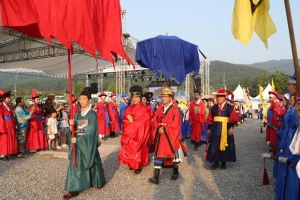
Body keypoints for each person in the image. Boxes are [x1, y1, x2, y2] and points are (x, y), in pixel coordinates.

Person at [62, 87, 106, 199]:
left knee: (93, 161)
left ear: (89, 100)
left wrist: (79, 139)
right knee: (75, 164)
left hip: (87, 142)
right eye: (80, 99)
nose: (81, 101)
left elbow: (91, 132)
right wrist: (71, 127)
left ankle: (97, 181)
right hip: (77, 143)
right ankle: (73, 189)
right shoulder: (76, 115)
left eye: (84, 99)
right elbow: (73, 131)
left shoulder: (92, 115)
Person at [149, 83, 187, 184]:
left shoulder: (175, 110)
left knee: (173, 153)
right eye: (162, 96)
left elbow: (176, 125)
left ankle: (175, 171)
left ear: (171, 98)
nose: (163, 98)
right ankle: (156, 177)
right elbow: (155, 119)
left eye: (166, 96)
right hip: (161, 135)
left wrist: (165, 129)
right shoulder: (160, 108)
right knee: (158, 154)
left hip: (170, 135)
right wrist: (158, 128)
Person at [118, 85, 151, 174]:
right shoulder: (129, 108)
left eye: (136, 97)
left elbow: (144, 123)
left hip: (139, 133)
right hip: (129, 133)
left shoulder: (144, 109)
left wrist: (132, 123)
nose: (134, 99)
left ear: (140, 97)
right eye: (133, 97)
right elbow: (124, 120)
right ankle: (131, 164)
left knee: (138, 148)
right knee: (129, 149)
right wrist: (130, 123)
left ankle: (138, 165)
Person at [207, 89, 238, 170]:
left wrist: (231, 127)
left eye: (220, 97)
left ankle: (223, 162)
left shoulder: (230, 108)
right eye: (217, 97)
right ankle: (215, 162)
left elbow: (233, 118)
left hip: (226, 128)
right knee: (214, 145)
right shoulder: (213, 108)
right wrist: (209, 128)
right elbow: (210, 119)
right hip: (215, 129)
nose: (218, 99)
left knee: (225, 145)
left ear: (224, 98)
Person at [0, 90, 19, 161]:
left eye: (9, 97)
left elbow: (12, 116)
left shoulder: (9, 106)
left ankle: (8, 153)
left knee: (10, 138)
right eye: (8, 98)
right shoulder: (1, 107)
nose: (9, 99)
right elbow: (0, 117)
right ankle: (2, 155)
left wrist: (15, 124)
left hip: (11, 124)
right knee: (4, 139)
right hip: (5, 124)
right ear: (3, 98)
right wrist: (1, 127)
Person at [266, 90, 281, 156]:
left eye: (271, 97)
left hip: (273, 123)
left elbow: (276, 114)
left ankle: (274, 150)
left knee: (273, 137)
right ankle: (272, 148)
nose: (270, 99)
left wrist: (274, 125)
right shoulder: (273, 103)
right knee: (271, 137)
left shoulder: (276, 104)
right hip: (271, 122)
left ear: (274, 97)